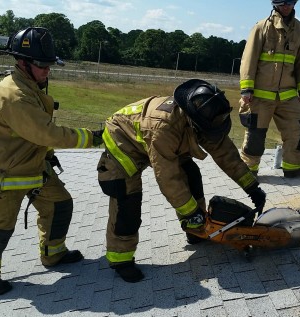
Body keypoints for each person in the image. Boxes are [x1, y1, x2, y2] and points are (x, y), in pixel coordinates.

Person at [0, 27, 102, 295]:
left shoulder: (30, 85)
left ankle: (53, 254)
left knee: (60, 203)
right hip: (5, 174)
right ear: (22, 62)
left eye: (50, 65)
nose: (47, 71)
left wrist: (47, 157)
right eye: (42, 65)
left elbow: (36, 136)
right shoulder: (14, 94)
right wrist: (92, 138)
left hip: (33, 166)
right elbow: (46, 133)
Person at [97, 79, 266, 283]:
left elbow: (226, 153)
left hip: (157, 138)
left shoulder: (204, 116)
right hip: (123, 142)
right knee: (127, 199)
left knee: (191, 175)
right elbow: (168, 177)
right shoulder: (164, 128)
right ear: (193, 122)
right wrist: (190, 211)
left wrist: (251, 186)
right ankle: (120, 259)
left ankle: (197, 230)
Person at [238, 0, 300, 178]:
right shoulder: (261, 27)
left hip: (287, 96)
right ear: (275, 3)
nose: (286, 5)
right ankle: (248, 172)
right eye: (282, 2)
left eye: (290, 1)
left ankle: (293, 168)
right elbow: (248, 59)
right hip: (260, 96)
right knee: (255, 137)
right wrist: (246, 88)